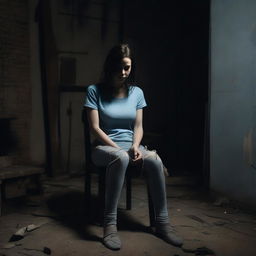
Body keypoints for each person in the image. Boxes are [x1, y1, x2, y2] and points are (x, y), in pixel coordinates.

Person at [84, 44, 183, 250]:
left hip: (131, 147)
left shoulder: (137, 92)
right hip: (104, 149)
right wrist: (119, 149)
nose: (123, 72)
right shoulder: (94, 91)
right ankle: (110, 226)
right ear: (111, 65)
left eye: (127, 68)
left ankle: (162, 224)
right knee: (119, 158)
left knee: (155, 160)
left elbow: (138, 126)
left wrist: (136, 146)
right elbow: (94, 128)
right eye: (119, 67)